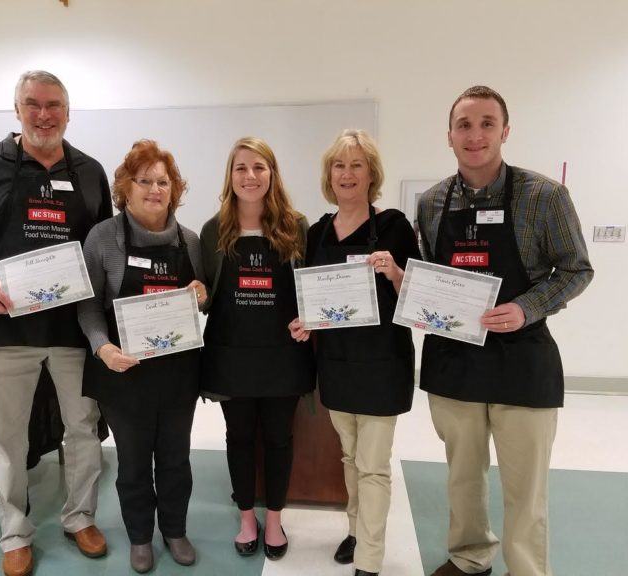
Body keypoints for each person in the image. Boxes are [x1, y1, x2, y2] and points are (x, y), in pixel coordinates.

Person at [418, 86, 594, 576]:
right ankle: (469, 557)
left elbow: (577, 269)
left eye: (487, 123)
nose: (476, 135)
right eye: (465, 125)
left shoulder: (544, 197)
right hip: (455, 361)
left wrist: (527, 307)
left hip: (523, 360)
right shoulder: (432, 203)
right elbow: (431, 275)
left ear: (505, 131)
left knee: (526, 488)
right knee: (462, 478)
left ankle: (527, 569)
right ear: (449, 135)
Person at [0, 71, 111, 576]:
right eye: (33, 105)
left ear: (68, 110)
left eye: (54, 105)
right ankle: (15, 532)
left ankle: (79, 516)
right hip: (5, 325)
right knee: (7, 436)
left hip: (72, 328)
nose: (44, 115)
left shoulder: (90, 170)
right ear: (17, 110)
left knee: (82, 429)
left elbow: (105, 245)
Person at [290, 129, 421, 576]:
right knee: (349, 457)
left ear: (371, 174)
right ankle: (354, 529)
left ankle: (369, 555)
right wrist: (303, 321)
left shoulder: (395, 226)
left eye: (357, 165)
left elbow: (418, 298)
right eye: (339, 165)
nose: (347, 174)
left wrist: (396, 271)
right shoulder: (317, 231)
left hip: (383, 365)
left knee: (374, 466)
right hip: (337, 365)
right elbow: (312, 299)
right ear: (330, 175)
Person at [78, 139, 206, 573]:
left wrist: (201, 295)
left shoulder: (189, 241)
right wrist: (102, 346)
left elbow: (200, 300)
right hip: (123, 374)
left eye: (163, 181)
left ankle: (174, 529)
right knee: (132, 462)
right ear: (126, 189)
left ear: (174, 189)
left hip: (176, 375)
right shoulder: (103, 238)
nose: (155, 189)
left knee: (175, 458)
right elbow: (89, 303)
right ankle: (139, 537)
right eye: (145, 180)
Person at [200, 137, 315, 560]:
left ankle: (275, 519)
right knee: (240, 438)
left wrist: (312, 319)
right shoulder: (215, 230)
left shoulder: (296, 226)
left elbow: (309, 291)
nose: (250, 176)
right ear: (230, 177)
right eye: (240, 168)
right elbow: (208, 296)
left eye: (258, 167)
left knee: (280, 439)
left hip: (283, 356)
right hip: (232, 355)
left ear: (272, 174)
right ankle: (247, 515)